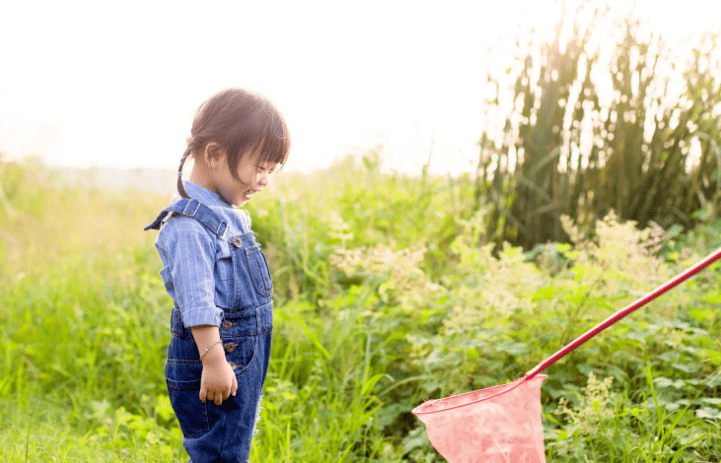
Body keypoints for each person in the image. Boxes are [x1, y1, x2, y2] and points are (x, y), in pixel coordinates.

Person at [144, 88, 290, 463]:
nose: (264, 180)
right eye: (259, 167)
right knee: (218, 453)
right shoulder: (190, 225)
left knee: (230, 449)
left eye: (272, 171)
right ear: (213, 154)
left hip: (235, 357)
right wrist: (213, 360)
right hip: (216, 356)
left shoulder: (226, 213)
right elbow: (196, 300)